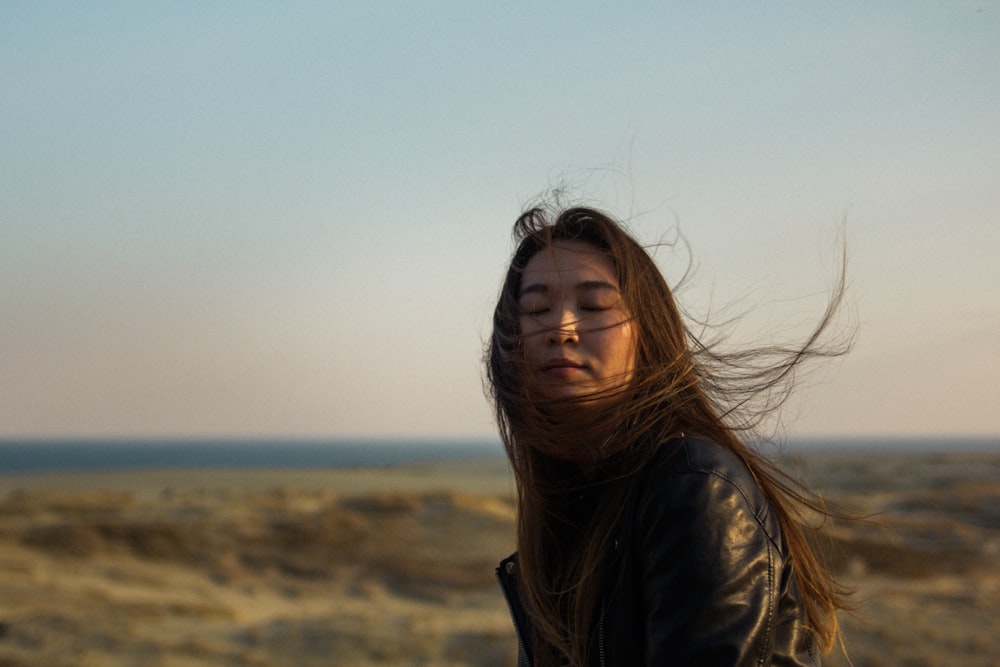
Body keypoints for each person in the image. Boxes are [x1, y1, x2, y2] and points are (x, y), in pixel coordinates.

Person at [485, 204, 851, 666]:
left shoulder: (693, 488)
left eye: (594, 306)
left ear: (648, 333)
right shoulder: (574, 503)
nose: (561, 328)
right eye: (537, 309)